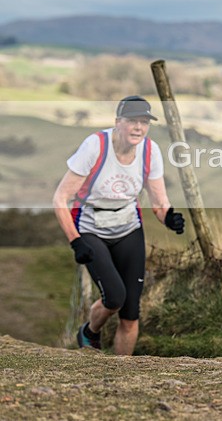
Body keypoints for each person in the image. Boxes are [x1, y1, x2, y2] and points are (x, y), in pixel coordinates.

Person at [53, 95, 185, 355]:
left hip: (128, 228)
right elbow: (60, 198)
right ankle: (89, 332)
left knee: (131, 313)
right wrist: (75, 240)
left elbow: (159, 202)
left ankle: (120, 372)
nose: (138, 127)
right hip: (91, 228)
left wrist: (169, 217)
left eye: (144, 122)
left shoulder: (150, 151)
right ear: (118, 122)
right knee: (114, 297)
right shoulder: (96, 146)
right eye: (132, 121)